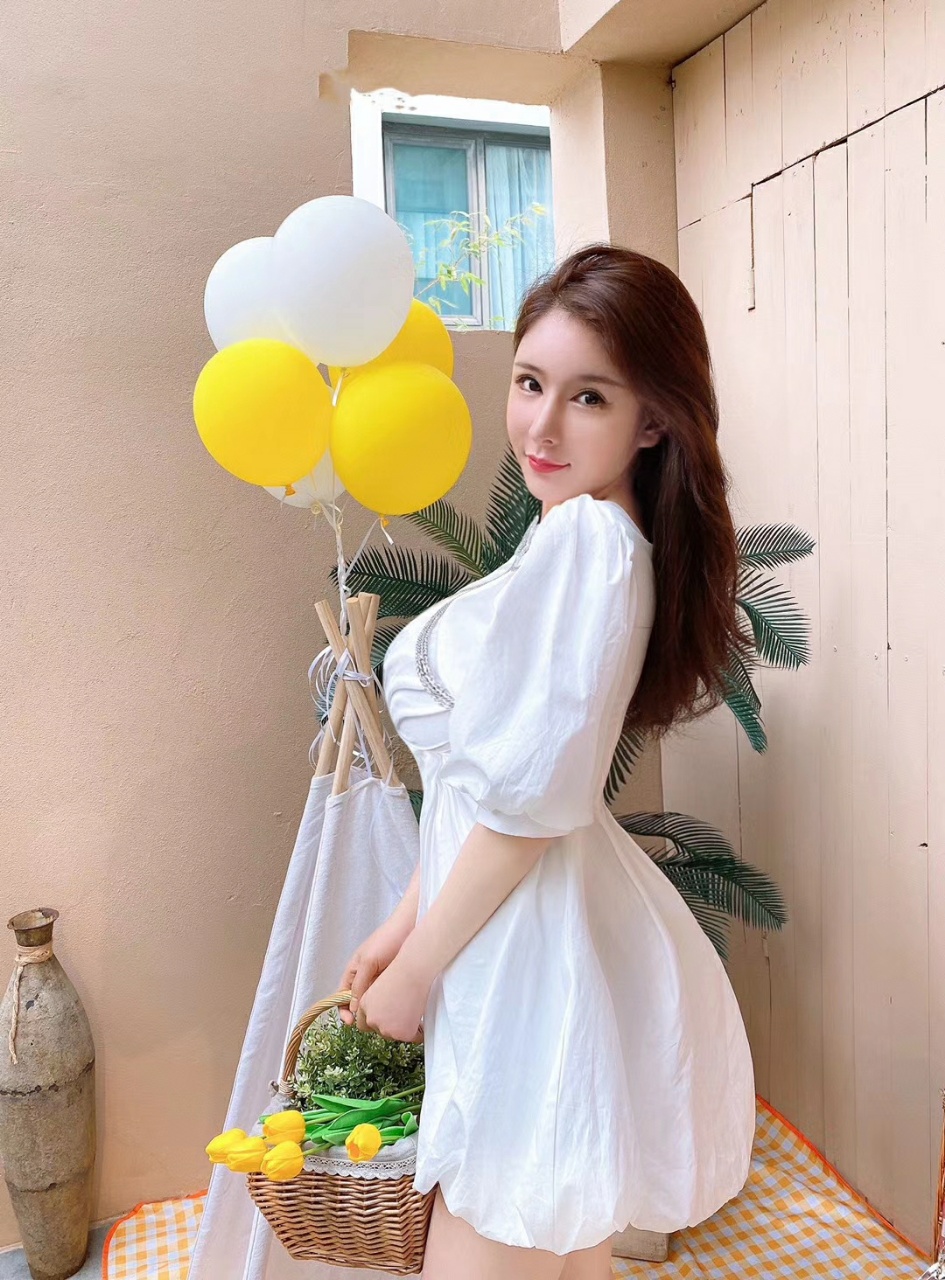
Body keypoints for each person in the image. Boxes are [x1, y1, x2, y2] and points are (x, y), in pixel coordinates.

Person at [337, 243, 757, 1280]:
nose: (541, 425)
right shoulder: (577, 536)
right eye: (530, 383)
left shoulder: (587, 548)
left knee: (503, 1229)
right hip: (521, 933)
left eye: (588, 397)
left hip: (521, 947)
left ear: (651, 420)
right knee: (561, 1247)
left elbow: (523, 809)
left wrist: (418, 970)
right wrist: (403, 927)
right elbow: (488, 787)